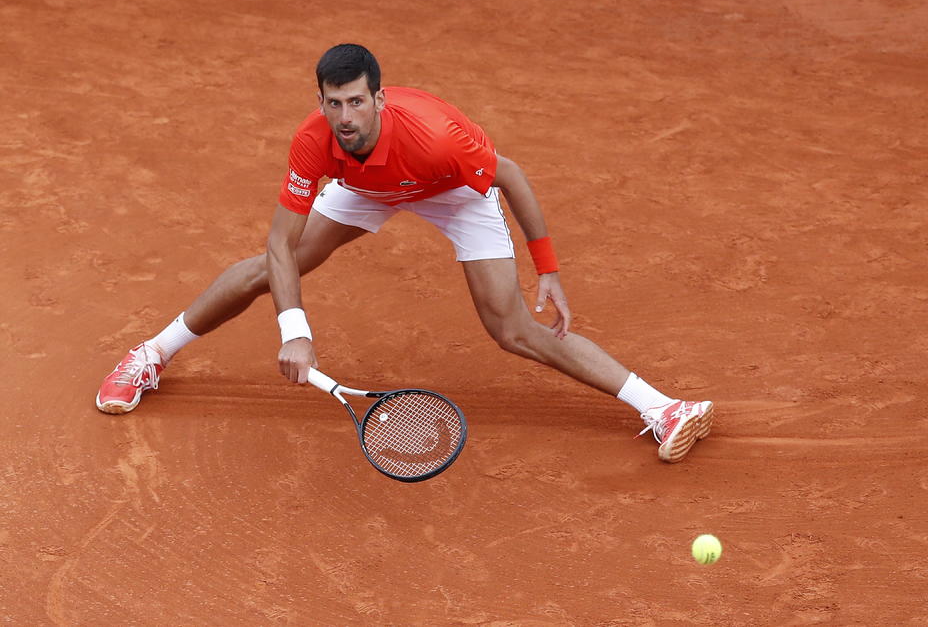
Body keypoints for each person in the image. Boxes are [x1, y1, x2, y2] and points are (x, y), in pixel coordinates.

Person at [96, 43, 714, 463]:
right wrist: (295, 328)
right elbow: (280, 243)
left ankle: (661, 409)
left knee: (514, 329)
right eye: (333, 103)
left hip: (449, 192)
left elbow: (512, 176)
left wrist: (547, 269)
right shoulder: (315, 142)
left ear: (379, 97)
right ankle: (150, 356)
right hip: (364, 189)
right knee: (271, 268)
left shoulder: (436, 140)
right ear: (321, 103)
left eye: (357, 102)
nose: (345, 116)